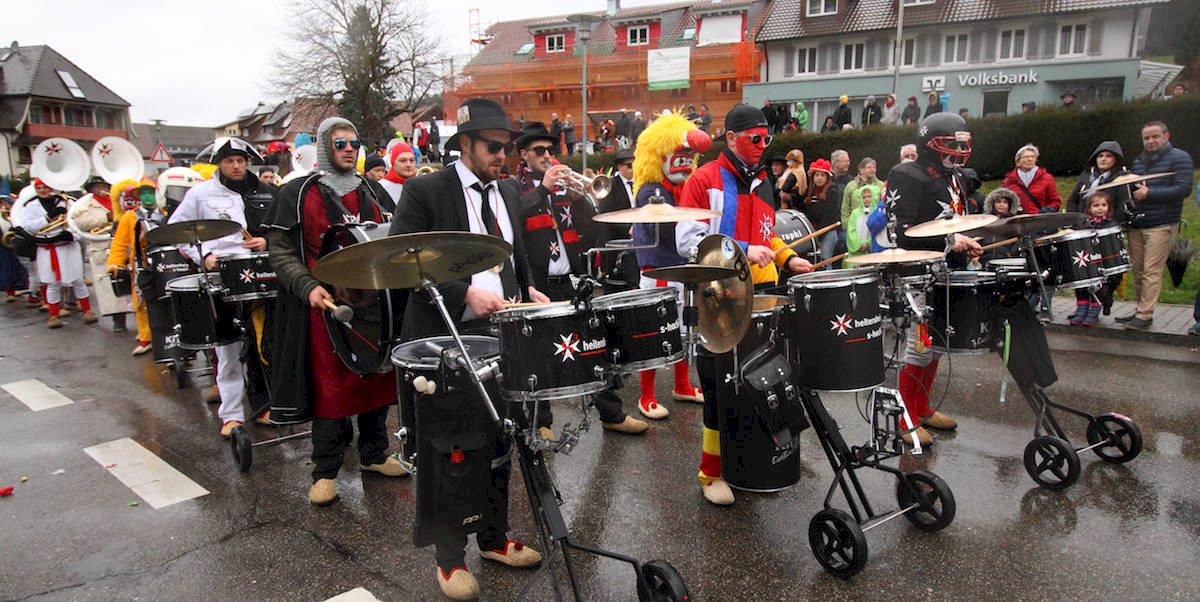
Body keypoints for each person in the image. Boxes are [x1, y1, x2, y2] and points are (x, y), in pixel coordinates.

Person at [388, 98, 546, 600]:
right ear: (464, 144)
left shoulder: (509, 192)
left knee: (500, 438)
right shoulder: (425, 190)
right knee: (451, 449)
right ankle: (450, 559)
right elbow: (402, 261)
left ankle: (494, 538)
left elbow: (514, 258)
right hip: (445, 335)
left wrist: (530, 289)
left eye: (508, 147)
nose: (503, 156)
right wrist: (463, 294)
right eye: (493, 147)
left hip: (501, 332)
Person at [263, 117, 407, 510]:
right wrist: (307, 286)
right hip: (324, 307)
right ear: (326, 147)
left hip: (372, 305)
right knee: (331, 388)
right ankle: (325, 471)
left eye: (354, 143)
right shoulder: (298, 193)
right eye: (340, 143)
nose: (349, 149)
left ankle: (374, 454)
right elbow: (281, 251)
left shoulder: (373, 190)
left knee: (375, 379)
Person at [675, 103, 814, 505]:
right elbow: (688, 242)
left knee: (764, 382)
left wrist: (788, 257)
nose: (762, 146)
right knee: (719, 389)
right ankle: (711, 471)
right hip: (720, 300)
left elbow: (766, 237)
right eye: (755, 139)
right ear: (732, 138)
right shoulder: (704, 179)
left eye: (767, 139)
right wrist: (741, 249)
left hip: (764, 295)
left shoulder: (764, 182)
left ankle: (754, 460)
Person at [510, 123, 648, 436]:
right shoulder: (513, 187)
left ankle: (611, 414)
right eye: (539, 151)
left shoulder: (563, 188)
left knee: (594, 345)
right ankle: (542, 423)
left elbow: (589, 228)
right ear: (524, 154)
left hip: (569, 280)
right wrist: (543, 189)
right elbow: (515, 217)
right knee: (540, 355)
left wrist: (582, 197)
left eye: (550, 150)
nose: (547, 155)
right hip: (536, 284)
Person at [887, 112, 983, 446]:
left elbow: (955, 220)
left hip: (948, 271)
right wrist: (948, 240)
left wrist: (967, 242)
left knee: (939, 345)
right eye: (951, 144)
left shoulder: (956, 176)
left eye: (962, 144)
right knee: (919, 347)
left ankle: (922, 408)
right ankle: (906, 418)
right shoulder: (907, 174)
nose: (957, 151)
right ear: (929, 144)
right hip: (918, 272)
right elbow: (900, 231)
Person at [168, 138, 273, 438]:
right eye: (229, 161)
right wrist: (204, 256)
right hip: (221, 277)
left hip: (259, 273)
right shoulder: (200, 194)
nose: (236, 166)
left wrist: (265, 241)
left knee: (263, 344)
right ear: (219, 163)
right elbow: (178, 231)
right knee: (227, 349)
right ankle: (231, 415)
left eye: (240, 160)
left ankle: (263, 406)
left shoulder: (265, 190)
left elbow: (281, 229)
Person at [629, 112, 711, 421]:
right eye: (679, 153)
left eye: (689, 156)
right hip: (659, 272)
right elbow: (663, 232)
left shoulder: (683, 189)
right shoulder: (651, 192)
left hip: (680, 271)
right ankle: (646, 395)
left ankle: (681, 385)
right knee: (656, 332)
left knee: (683, 330)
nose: (685, 161)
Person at [1120, 121, 1195, 330]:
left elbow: (1183, 189)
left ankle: (1145, 314)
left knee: (1152, 270)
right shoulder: (1139, 161)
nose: (1150, 141)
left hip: (1162, 223)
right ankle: (1140, 309)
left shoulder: (1180, 158)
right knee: (1138, 270)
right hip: (1138, 223)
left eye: (1155, 137)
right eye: (1146, 138)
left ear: (1166, 136)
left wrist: (1150, 193)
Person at [22, 179, 97, 329]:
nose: (42, 190)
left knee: (78, 280)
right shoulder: (30, 206)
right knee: (52, 283)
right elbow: (28, 227)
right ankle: (54, 315)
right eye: (39, 188)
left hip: (68, 248)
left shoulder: (66, 202)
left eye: (45, 187)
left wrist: (71, 235)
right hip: (46, 248)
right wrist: (47, 218)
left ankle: (87, 311)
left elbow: (79, 223)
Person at [105, 181, 165, 356]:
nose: (147, 196)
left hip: (163, 262)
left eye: (150, 192)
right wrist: (115, 263)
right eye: (143, 193)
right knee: (141, 303)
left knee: (166, 301)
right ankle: (146, 338)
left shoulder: (165, 214)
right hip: (141, 263)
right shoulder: (129, 217)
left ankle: (168, 340)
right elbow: (120, 242)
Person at [69, 176, 129, 332]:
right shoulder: (85, 204)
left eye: (104, 185)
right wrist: (105, 217)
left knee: (130, 281)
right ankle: (118, 319)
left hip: (123, 244)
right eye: (97, 186)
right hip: (101, 247)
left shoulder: (119, 200)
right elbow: (80, 222)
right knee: (109, 284)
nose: (102, 189)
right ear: (91, 189)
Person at [1069, 191, 1121, 326]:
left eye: (1104, 205)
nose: (1100, 208)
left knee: (1101, 287)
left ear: (1108, 207)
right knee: (1082, 285)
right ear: (1089, 208)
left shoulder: (1111, 224)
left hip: (1104, 262)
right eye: (1096, 205)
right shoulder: (1083, 224)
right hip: (1087, 261)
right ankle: (1082, 310)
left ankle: (1094, 312)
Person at [1065, 141, 1129, 217]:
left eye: (1108, 156)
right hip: (1082, 221)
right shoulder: (1086, 177)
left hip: (1109, 222)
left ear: (1116, 159)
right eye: (1100, 156)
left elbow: (1122, 205)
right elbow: (1072, 201)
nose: (1103, 159)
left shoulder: (1120, 180)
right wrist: (1075, 220)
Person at [1003, 144, 1061, 215]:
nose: (1030, 159)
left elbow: (1055, 201)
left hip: (1040, 219)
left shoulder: (1047, 178)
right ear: (1018, 162)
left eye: (1033, 157)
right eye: (1026, 157)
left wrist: (1049, 209)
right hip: (1017, 219)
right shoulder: (1009, 180)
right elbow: (1002, 201)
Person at [799, 159, 839, 260]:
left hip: (827, 231)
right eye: (817, 175)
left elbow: (830, 217)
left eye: (822, 175)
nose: (819, 178)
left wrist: (818, 236)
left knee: (824, 260)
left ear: (827, 178)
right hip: (812, 231)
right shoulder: (809, 192)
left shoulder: (833, 192)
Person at [840, 157, 882, 232]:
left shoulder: (881, 185)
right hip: (854, 225)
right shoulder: (851, 186)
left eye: (874, 167)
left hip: (875, 226)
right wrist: (847, 226)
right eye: (869, 167)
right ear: (861, 170)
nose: (872, 170)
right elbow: (845, 208)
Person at [378, 142, 417, 206]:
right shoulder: (381, 186)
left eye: (412, 160)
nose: (408, 165)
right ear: (393, 163)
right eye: (403, 161)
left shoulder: (420, 185)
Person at [846, 186, 878, 257]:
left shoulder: (877, 212)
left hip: (872, 252)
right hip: (857, 253)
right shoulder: (855, 213)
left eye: (869, 196)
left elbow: (878, 231)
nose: (866, 199)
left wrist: (869, 243)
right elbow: (851, 231)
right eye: (864, 197)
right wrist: (858, 245)